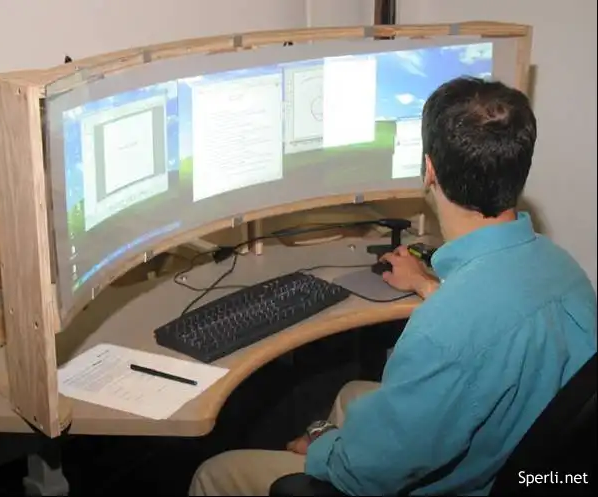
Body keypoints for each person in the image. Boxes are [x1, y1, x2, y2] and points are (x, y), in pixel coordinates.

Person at [188, 77, 598, 496]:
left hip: (449, 484)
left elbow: (364, 475)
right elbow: (497, 332)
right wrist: (427, 285)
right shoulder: (563, 270)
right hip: (521, 460)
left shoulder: (443, 332)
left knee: (214, 472)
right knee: (350, 395)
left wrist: (323, 446)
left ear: (429, 170)